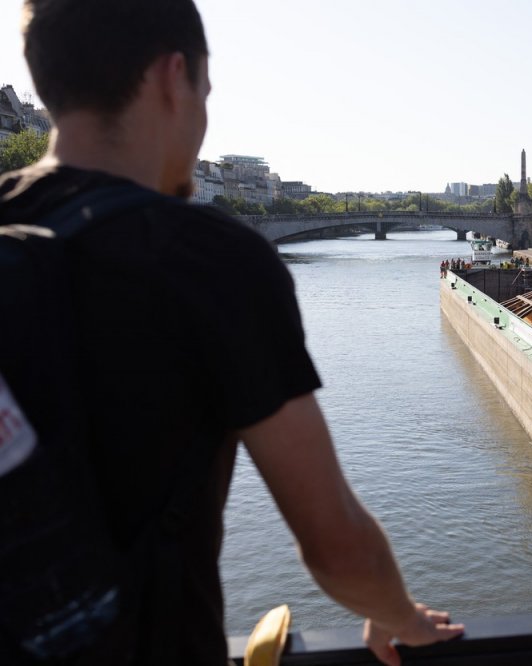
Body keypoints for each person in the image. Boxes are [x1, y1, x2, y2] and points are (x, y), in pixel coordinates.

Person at [3, 2, 462, 664]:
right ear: (173, 77)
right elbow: (335, 544)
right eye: (206, 93)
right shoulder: (207, 258)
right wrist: (397, 615)